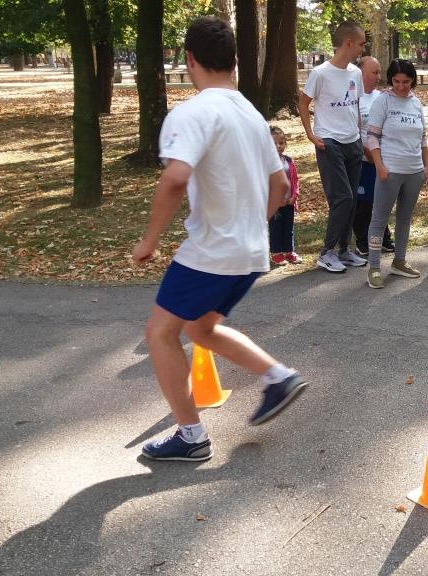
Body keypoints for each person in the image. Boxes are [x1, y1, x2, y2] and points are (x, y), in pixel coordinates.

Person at [131, 16, 307, 462]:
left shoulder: (191, 113)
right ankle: (278, 376)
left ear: (189, 59)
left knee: (159, 333)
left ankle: (190, 435)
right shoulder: (251, 115)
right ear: (233, 61)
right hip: (251, 251)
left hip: (211, 251)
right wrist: (252, 226)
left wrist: (149, 240)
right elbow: (280, 186)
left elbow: (175, 178)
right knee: (200, 328)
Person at [298, 21, 368, 273]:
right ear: (348, 43)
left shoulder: (355, 73)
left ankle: (344, 250)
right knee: (343, 198)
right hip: (330, 142)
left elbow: (356, 105)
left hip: (353, 142)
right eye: (361, 44)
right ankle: (326, 252)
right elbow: (303, 103)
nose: (363, 48)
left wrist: (359, 135)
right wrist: (311, 135)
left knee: (353, 198)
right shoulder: (320, 73)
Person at [364, 59, 428, 289]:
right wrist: (380, 165)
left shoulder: (416, 103)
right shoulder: (383, 101)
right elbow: (372, 137)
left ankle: (399, 261)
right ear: (391, 80)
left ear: (413, 81)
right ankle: (374, 267)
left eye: (406, 81)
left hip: (414, 171)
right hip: (390, 170)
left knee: (405, 218)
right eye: (396, 81)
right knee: (379, 218)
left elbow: (423, 137)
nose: (401, 86)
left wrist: (426, 166)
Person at [352, 56, 394, 257]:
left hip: (384, 159)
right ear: (360, 73)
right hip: (364, 161)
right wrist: (368, 154)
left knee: (382, 201)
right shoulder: (354, 99)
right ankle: (362, 241)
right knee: (364, 202)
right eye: (374, 72)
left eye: (379, 72)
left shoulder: (381, 97)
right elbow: (354, 132)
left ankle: (384, 237)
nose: (378, 76)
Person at [268, 127, 303, 266]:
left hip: (289, 202)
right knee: (276, 228)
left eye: (281, 143)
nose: (278, 146)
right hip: (274, 205)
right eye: (274, 143)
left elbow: (295, 180)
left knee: (289, 228)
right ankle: (276, 253)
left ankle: (289, 251)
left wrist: (294, 195)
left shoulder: (289, 161)